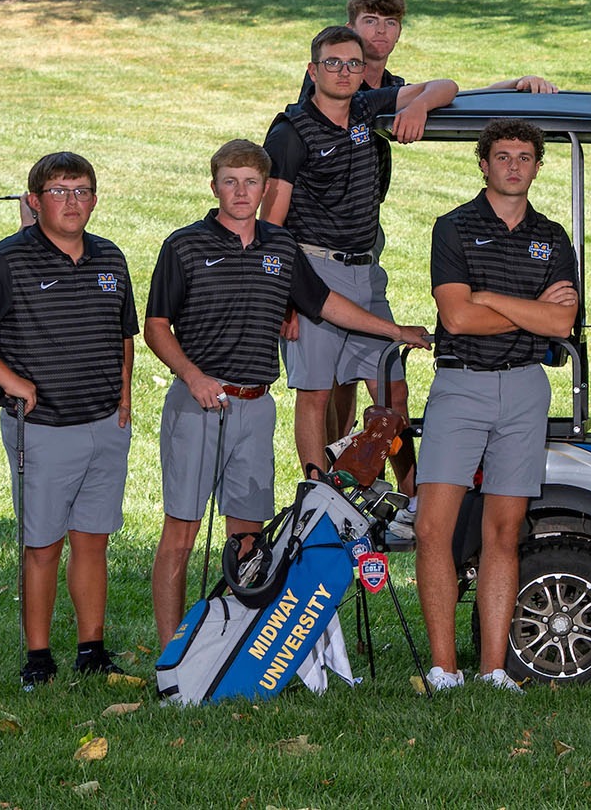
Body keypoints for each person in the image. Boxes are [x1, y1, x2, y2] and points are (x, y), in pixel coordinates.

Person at [142, 140, 429, 646]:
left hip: (256, 407)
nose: (240, 191)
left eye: (251, 182)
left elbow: (325, 304)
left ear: (264, 188)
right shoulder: (184, 245)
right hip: (198, 404)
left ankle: (225, 646)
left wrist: (394, 330)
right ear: (214, 186)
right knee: (181, 534)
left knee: (248, 540)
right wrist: (192, 375)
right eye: (230, 181)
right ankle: (171, 654)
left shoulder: (280, 247)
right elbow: (157, 326)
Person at [0, 152, 136, 687]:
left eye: (81, 191)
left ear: (94, 200)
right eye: (58, 191)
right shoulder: (8, 261)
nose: (71, 202)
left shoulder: (110, 259)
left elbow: (124, 334)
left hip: (104, 424)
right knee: (43, 545)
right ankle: (38, 657)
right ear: (34, 200)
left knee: (93, 539)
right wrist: (10, 379)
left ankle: (91, 649)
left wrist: (124, 395)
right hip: (43, 429)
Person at [416, 120, 577, 692]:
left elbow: (562, 322)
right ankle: (443, 668)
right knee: (434, 528)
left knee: (503, 533)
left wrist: (493, 298)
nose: (514, 165)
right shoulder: (453, 227)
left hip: (527, 386)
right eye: (503, 156)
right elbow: (456, 318)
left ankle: (492, 670)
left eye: (525, 157)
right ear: (483, 164)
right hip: (461, 385)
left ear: (537, 166)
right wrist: (530, 307)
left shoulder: (554, 236)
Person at [262, 25, 443, 484]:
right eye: (333, 63)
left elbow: (446, 87)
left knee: (393, 392)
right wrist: (285, 297)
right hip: (315, 270)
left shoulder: (365, 109)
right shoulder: (290, 132)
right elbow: (271, 226)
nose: (344, 72)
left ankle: (407, 494)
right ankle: (319, 495)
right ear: (312, 69)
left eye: (353, 64)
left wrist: (418, 105)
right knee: (316, 395)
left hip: (366, 272)